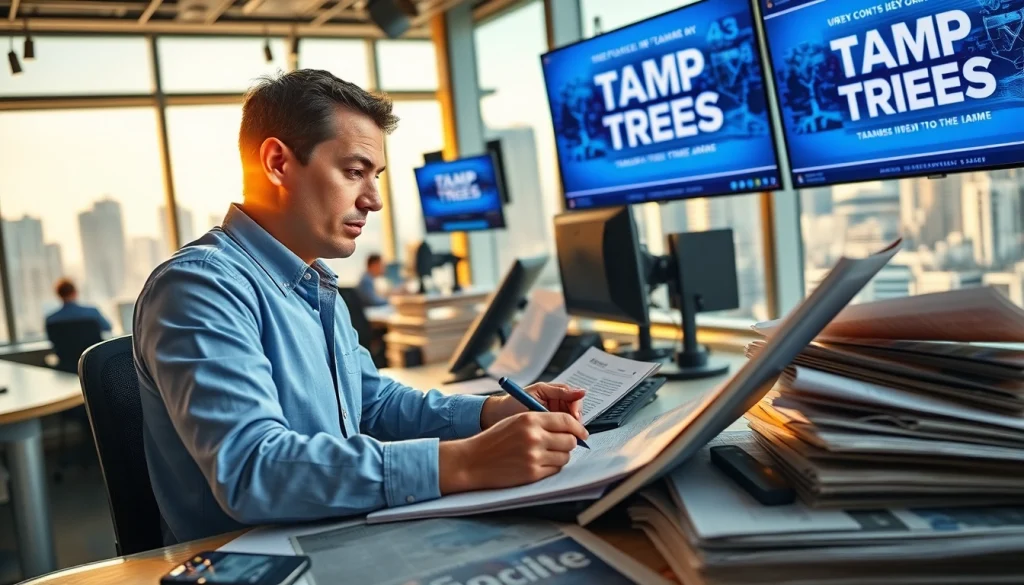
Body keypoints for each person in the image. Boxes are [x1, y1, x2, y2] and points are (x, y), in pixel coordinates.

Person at [133, 69, 588, 545]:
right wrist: (468, 461)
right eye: (354, 172)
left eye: (375, 177)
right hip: (260, 561)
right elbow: (254, 469)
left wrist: (489, 414)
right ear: (277, 163)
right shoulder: (200, 286)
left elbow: (372, 405)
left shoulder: (314, 285)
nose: (373, 200)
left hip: (339, 535)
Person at [44, 278, 112, 336]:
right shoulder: (92, 313)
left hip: (67, 351)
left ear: (59, 295)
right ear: (75, 293)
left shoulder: (51, 320)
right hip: (91, 351)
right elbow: (108, 328)